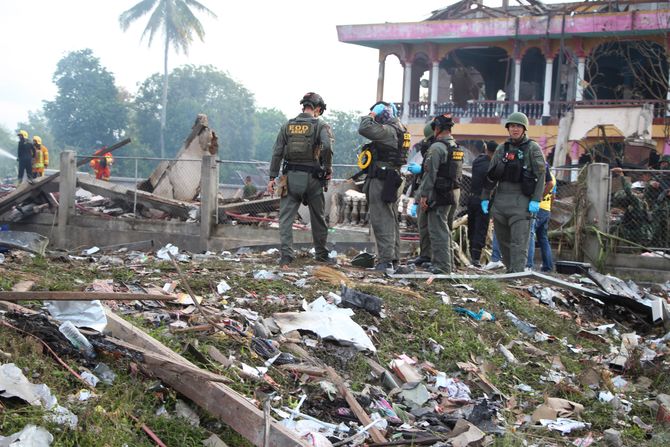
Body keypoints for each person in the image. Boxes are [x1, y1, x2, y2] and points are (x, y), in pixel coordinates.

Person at [267, 92, 334, 267]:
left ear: (304, 106)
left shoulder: (287, 126)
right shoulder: (320, 125)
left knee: (286, 218)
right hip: (313, 179)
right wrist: (327, 168)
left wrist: (272, 177)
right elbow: (327, 147)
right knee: (318, 218)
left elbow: (277, 152)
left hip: (290, 179)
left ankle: (286, 256)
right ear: (318, 109)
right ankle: (321, 254)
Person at [481, 112, 546, 273]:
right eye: (512, 126)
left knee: (519, 242)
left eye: (518, 126)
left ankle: (517, 273)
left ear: (524, 128)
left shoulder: (533, 148)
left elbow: (541, 174)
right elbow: (491, 175)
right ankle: (511, 271)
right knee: (503, 242)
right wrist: (485, 197)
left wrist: (536, 199)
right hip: (501, 200)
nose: (514, 129)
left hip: (522, 201)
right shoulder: (502, 148)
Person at [358, 100, 410, 272]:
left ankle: (385, 260)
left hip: (383, 180)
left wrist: (372, 114)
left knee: (382, 220)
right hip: (393, 178)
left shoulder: (388, 130)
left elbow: (364, 128)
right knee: (391, 219)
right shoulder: (401, 129)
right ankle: (393, 259)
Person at [418, 113, 464, 274]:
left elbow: (430, 174)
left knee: (438, 229)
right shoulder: (455, 146)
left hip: (439, 193)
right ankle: (446, 263)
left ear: (436, 129)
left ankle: (442, 266)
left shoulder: (437, 148)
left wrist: (424, 196)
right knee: (445, 229)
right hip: (453, 191)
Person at [407, 121, 435, 267]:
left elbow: (433, 172)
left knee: (434, 229)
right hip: (424, 189)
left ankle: (434, 259)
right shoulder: (430, 149)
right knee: (423, 226)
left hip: (434, 192)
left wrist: (422, 170)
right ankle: (425, 255)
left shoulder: (439, 149)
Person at [468, 140, 496, 267]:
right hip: (484, 200)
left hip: (471, 198)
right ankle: (475, 258)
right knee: (481, 229)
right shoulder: (492, 165)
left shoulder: (477, 161)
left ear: (485, 149)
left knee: (472, 226)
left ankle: (471, 255)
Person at [526, 162, 555, 272]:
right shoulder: (553, 178)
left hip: (538, 208)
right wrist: (549, 209)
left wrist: (538, 198)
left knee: (530, 234)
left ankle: (528, 264)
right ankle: (548, 266)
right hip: (547, 210)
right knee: (543, 239)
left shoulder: (541, 177)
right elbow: (553, 196)